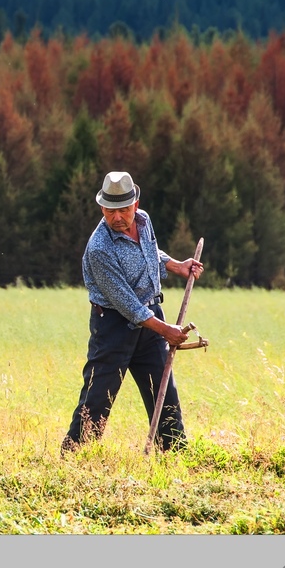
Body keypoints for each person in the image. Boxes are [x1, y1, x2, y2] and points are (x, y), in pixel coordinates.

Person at [61, 170, 203, 455]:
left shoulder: (144, 221)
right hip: (113, 326)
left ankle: (175, 454)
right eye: (111, 211)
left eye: (123, 209)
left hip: (151, 317)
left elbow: (149, 253)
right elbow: (127, 304)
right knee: (98, 398)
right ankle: (74, 457)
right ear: (102, 208)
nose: (117, 217)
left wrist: (176, 265)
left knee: (163, 391)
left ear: (135, 205)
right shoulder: (99, 249)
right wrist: (167, 331)